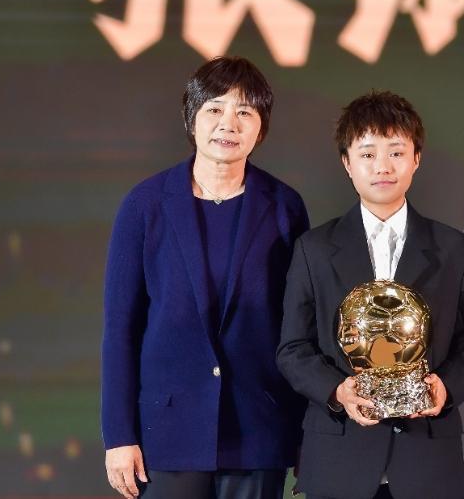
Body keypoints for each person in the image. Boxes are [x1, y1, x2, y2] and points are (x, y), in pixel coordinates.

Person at [101, 56, 309, 499]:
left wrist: (303, 433)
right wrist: (119, 435)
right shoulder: (145, 205)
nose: (228, 124)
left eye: (245, 112)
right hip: (167, 433)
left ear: (261, 128)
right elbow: (120, 329)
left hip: (258, 429)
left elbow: (299, 327)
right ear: (191, 117)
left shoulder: (284, 207)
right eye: (215, 108)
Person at [277, 91, 464, 499]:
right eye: (368, 154)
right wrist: (337, 391)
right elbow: (292, 348)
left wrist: (445, 387)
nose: (383, 167)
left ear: (416, 158)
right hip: (340, 456)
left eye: (396, 152)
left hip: (427, 459)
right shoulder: (314, 250)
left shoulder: (454, 250)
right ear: (347, 163)